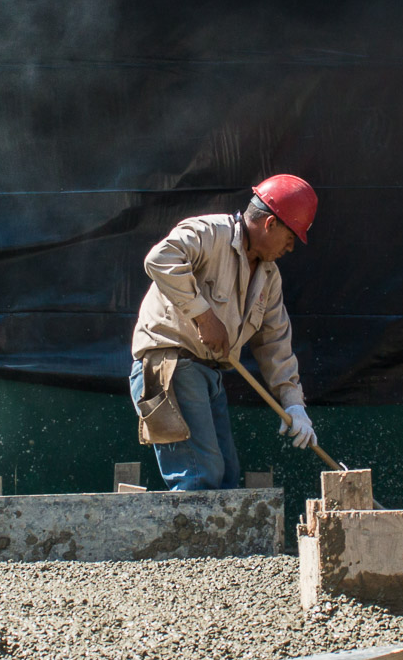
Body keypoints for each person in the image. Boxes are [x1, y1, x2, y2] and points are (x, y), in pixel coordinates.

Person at [130, 176, 320, 490]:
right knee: (200, 477)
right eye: (290, 237)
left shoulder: (269, 276)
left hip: (210, 376)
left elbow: (274, 341)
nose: (291, 247)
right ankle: (194, 540)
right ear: (271, 223)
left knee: (227, 479)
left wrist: (294, 404)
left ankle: (213, 541)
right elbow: (160, 259)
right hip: (172, 367)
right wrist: (204, 316)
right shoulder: (208, 232)